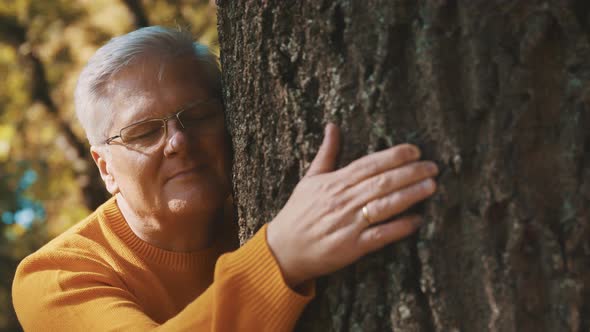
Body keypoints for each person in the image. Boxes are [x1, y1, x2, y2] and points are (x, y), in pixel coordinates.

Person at [12, 26, 439, 331]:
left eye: (197, 116)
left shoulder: (270, 203)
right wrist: (279, 257)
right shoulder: (56, 277)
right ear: (105, 168)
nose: (178, 141)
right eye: (144, 132)